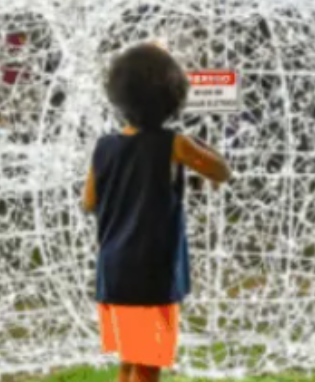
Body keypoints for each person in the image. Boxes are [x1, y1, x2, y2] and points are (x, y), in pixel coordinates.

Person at [82, 43, 231, 382]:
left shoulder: (104, 147)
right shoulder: (174, 144)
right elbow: (222, 172)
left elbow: (89, 201)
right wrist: (196, 146)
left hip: (114, 269)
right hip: (151, 271)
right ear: (171, 96)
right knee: (148, 367)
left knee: (128, 361)